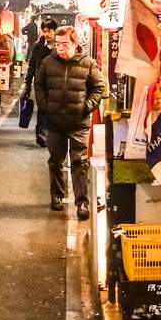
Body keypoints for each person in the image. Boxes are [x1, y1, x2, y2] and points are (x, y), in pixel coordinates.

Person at [34, 25, 107, 220]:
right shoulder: (48, 63)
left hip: (79, 123)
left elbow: (99, 88)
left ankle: (82, 202)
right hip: (55, 122)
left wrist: (87, 106)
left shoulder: (88, 63)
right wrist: (45, 106)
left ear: (75, 43)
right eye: (57, 44)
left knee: (79, 162)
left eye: (65, 44)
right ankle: (56, 196)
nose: (60, 48)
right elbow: (39, 85)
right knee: (56, 161)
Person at [23, 18, 57, 147]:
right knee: (43, 108)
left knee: (53, 109)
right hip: (41, 83)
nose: (47, 34)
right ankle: (41, 134)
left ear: (55, 30)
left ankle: (51, 134)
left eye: (50, 31)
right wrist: (27, 84)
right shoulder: (38, 46)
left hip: (56, 83)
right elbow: (32, 65)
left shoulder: (60, 46)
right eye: (44, 31)